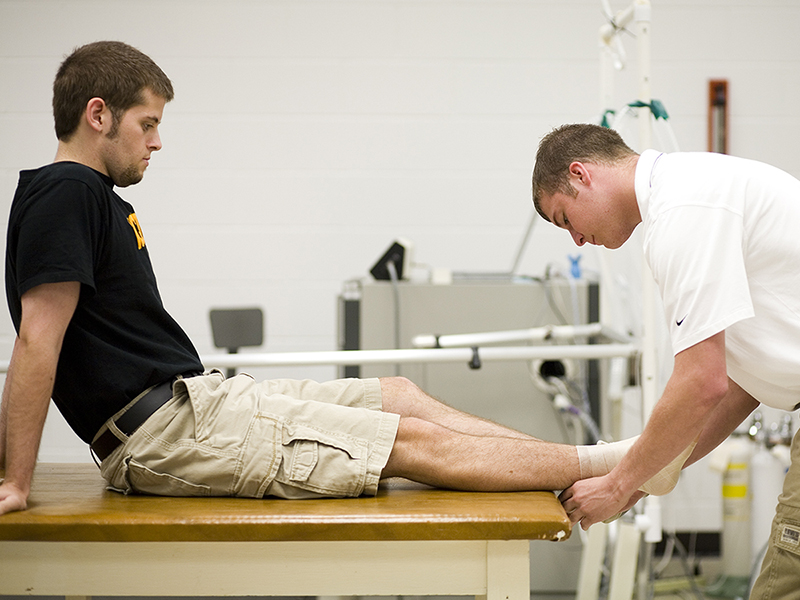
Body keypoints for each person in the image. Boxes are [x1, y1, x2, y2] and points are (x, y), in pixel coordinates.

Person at [0, 42, 681, 517]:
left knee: (398, 395)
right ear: (98, 115)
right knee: (403, 444)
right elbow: (38, 343)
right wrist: (14, 480)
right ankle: (615, 467)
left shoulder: (89, 199)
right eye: (146, 124)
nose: (155, 141)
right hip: (162, 438)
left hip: (196, 405)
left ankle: (587, 459)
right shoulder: (67, 192)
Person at [532, 122, 800, 599]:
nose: (576, 240)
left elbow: (701, 384)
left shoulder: (683, 211)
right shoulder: (686, 195)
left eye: (565, 218)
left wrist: (618, 484)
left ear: (580, 174)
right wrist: (640, 481)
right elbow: (738, 388)